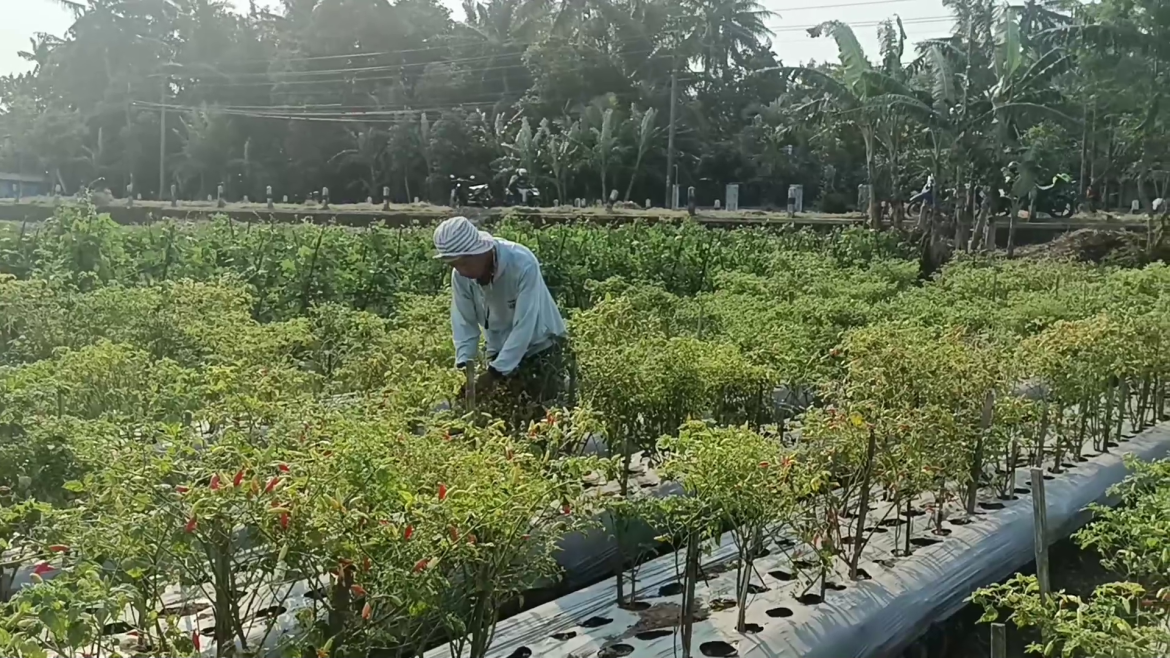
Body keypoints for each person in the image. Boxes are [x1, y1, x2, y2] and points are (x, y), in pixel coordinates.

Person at [433, 216, 572, 427]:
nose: (460, 270)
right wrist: (466, 366)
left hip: (542, 345)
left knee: (540, 420)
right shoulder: (461, 277)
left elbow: (525, 325)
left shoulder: (522, 263)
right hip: (499, 348)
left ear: (480, 250)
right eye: (453, 264)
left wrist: (494, 373)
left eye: (464, 262)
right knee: (502, 418)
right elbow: (464, 322)